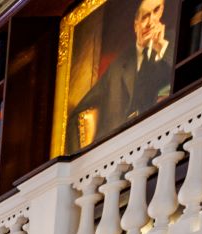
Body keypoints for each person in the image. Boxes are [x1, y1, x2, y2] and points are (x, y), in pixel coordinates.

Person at [72, 0, 173, 150]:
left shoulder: (171, 45)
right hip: (115, 150)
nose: (150, 22)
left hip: (158, 142)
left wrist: (161, 50)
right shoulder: (119, 65)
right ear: (136, 24)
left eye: (156, 11)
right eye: (145, 16)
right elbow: (79, 112)